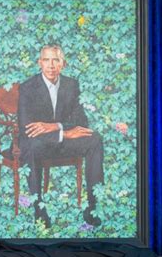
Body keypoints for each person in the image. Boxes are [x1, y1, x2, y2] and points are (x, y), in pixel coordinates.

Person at [18, 44, 104, 227]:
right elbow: (28, 128)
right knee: (31, 145)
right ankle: (39, 210)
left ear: (62, 64)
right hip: (39, 144)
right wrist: (65, 133)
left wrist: (54, 127)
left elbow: (81, 121)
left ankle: (93, 206)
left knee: (94, 139)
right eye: (46, 60)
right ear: (39, 63)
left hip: (61, 141)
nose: (51, 65)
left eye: (56, 60)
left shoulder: (71, 85)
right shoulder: (27, 87)